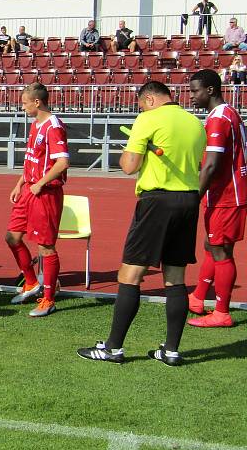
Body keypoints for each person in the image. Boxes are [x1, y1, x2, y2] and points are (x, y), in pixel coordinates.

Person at [78, 81, 205, 366]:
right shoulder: (195, 122)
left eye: (140, 104)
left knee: (130, 274)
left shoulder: (147, 119)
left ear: (148, 99)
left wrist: (134, 149)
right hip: (188, 201)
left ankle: (113, 348)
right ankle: (171, 350)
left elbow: (128, 166)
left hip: (157, 202)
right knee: (175, 277)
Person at [187, 69, 246, 328]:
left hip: (226, 195)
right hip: (227, 192)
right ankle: (199, 297)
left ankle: (221, 311)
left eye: (195, 91)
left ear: (210, 90)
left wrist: (192, 198)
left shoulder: (218, 119)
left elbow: (210, 165)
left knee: (221, 251)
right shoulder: (228, 112)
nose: (191, 96)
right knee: (211, 246)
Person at [5, 83, 69, 317]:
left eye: (24, 103)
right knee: (12, 237)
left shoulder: (54, 126)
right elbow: (32, 159)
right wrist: (19, 183)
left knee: (45, 247)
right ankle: (31, 283)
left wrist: (40, 183)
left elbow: (62, 162)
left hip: (45, 193)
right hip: (29, 190)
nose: (22, 107)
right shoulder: (35, 125)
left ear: (37, 102)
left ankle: (49, 299)